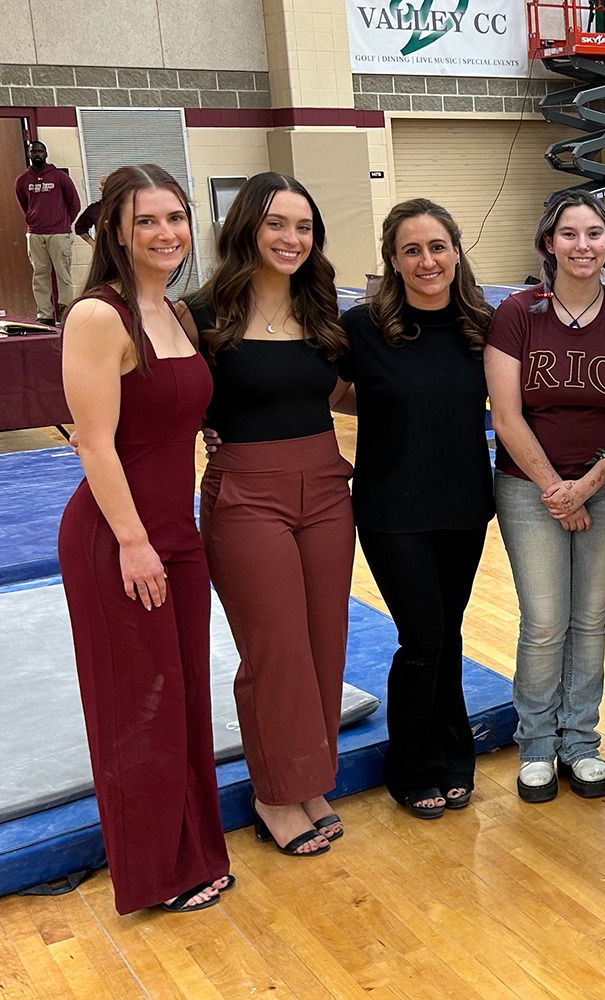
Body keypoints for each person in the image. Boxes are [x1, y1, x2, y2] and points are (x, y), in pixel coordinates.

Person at [58, 163, 231, 914]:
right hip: (118, 536)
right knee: (139, 704)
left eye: (175, 218)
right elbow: (94, 443)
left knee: (186, 697)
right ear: (115, 234)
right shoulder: (100, 316)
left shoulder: (178, 313)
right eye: (147, 222)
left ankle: (191, 848)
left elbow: (179, 413)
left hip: (178, 533)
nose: (166, 234)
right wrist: (133, 542)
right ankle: (155, 873)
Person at [189, 172, 353, 857]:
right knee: (274, 648)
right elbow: (172, 396)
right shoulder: (198, 315)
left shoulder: (322, 314)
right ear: (247, 228)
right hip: (246, 494)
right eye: (278, 224)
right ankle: (273, 792)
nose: (292, 238)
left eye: (304, 227)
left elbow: (344, 394)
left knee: (323, 640)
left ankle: (308, 778)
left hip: (324, 488)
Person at [488, 190, 605, 802]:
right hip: (527, 489)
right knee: (544, 621)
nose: (581, 246)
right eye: (568, 234)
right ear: (548, 243)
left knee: (589, 621)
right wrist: (556, 490)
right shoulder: (517, 314)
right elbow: (505, 416)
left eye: (593, 235)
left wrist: (586, 486)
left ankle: (580, 742)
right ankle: (536, 744)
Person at [341, 200, 494, 819]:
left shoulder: (484, 326)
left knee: (447, 633)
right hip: (390, 508)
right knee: (421, 635)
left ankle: (454, 754)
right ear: (394, 261)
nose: (427, 261)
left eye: (437, 247)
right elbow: (315, 392)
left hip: (462, 503)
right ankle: (411, 764)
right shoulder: (362, 329)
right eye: (412, 250)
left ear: (457, 252)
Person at [15, 140, 83, 324]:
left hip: (59, 233)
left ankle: (65, 311)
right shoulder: (22, 180)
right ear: (29, 154)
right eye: (33, 151)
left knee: (63, 274)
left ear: (46, 153)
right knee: (40, 274)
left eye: (39, 151)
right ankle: (44, 314)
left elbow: (74, 203)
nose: (36, 154)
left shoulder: (59, 177)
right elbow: (24, 206)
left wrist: (64, 223)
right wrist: (33, 220)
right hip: (35, 234)